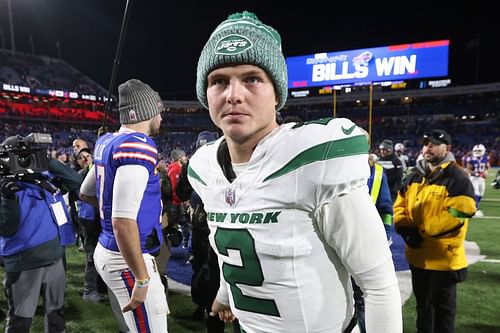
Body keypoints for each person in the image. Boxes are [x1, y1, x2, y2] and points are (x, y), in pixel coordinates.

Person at [188, 11, 402, 333]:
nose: (233, 94)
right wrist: (225, 294)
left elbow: (380, 286)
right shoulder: (205, 167)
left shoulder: (313, 161)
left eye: (252, 79)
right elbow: (230, 248)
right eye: (219, 81)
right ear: (206, 94)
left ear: (277, 93)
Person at [79, 79, 169, 332]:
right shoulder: (136, 145)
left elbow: (86, 193)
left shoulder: (107, 142)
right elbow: (122, 222)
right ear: (147, 111)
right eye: (159, 110)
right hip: (126, 257)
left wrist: (110, 208)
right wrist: (142, 278)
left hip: (109, 251)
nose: (161, 116)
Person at [394, 129, 476, 333]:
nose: (427, 147)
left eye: (433, 143)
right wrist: (404, 228)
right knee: (423, 310)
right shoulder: (414, 174)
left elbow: (460, 212)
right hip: (418, 257)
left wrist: (421, 231)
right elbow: (400, 205)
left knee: (443, 314)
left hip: (444, 260)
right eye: (425, 143)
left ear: (446, 148)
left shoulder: (457, 176)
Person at [0, 135, 82, 333]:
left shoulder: (42, 176)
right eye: (19, 155)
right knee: (21, 321)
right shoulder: (5, 185)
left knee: (56, 316)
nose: (23, 159)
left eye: (27, 154)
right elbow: (6, 228)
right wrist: (8, 198)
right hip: (25, 262)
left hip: (55, 257)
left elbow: (75, 180)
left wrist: (46, 159)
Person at [353, 153, 394, 333]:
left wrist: (385, 235)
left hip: (366, 243)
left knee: (364, 297)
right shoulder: (333, 169)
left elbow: (386, 209)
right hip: (334, 245)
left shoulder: (377, 173)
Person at [168, 148, 190, 248]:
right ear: (179, 158)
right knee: (177, 224)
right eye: (184, 156)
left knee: (182, 223)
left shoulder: (178, 168)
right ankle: (179, 244)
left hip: (177, 202)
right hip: (175, 203)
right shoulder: (175, 169)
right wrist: (182, 200)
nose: (186, 158)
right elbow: (174, 188)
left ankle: (182, 244)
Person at [466, 144, 491, 217]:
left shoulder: (485, 158)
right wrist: (475, 173)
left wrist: (486, 171)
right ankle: (476, 210)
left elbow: (488, 167)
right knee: (476, 192)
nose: (477, 152)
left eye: (479, 150)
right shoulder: (471, 159)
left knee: (481, 194)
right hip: (474, 178)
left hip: (481, 178)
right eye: (476, 151)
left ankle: (472, 205)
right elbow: (468, 169)